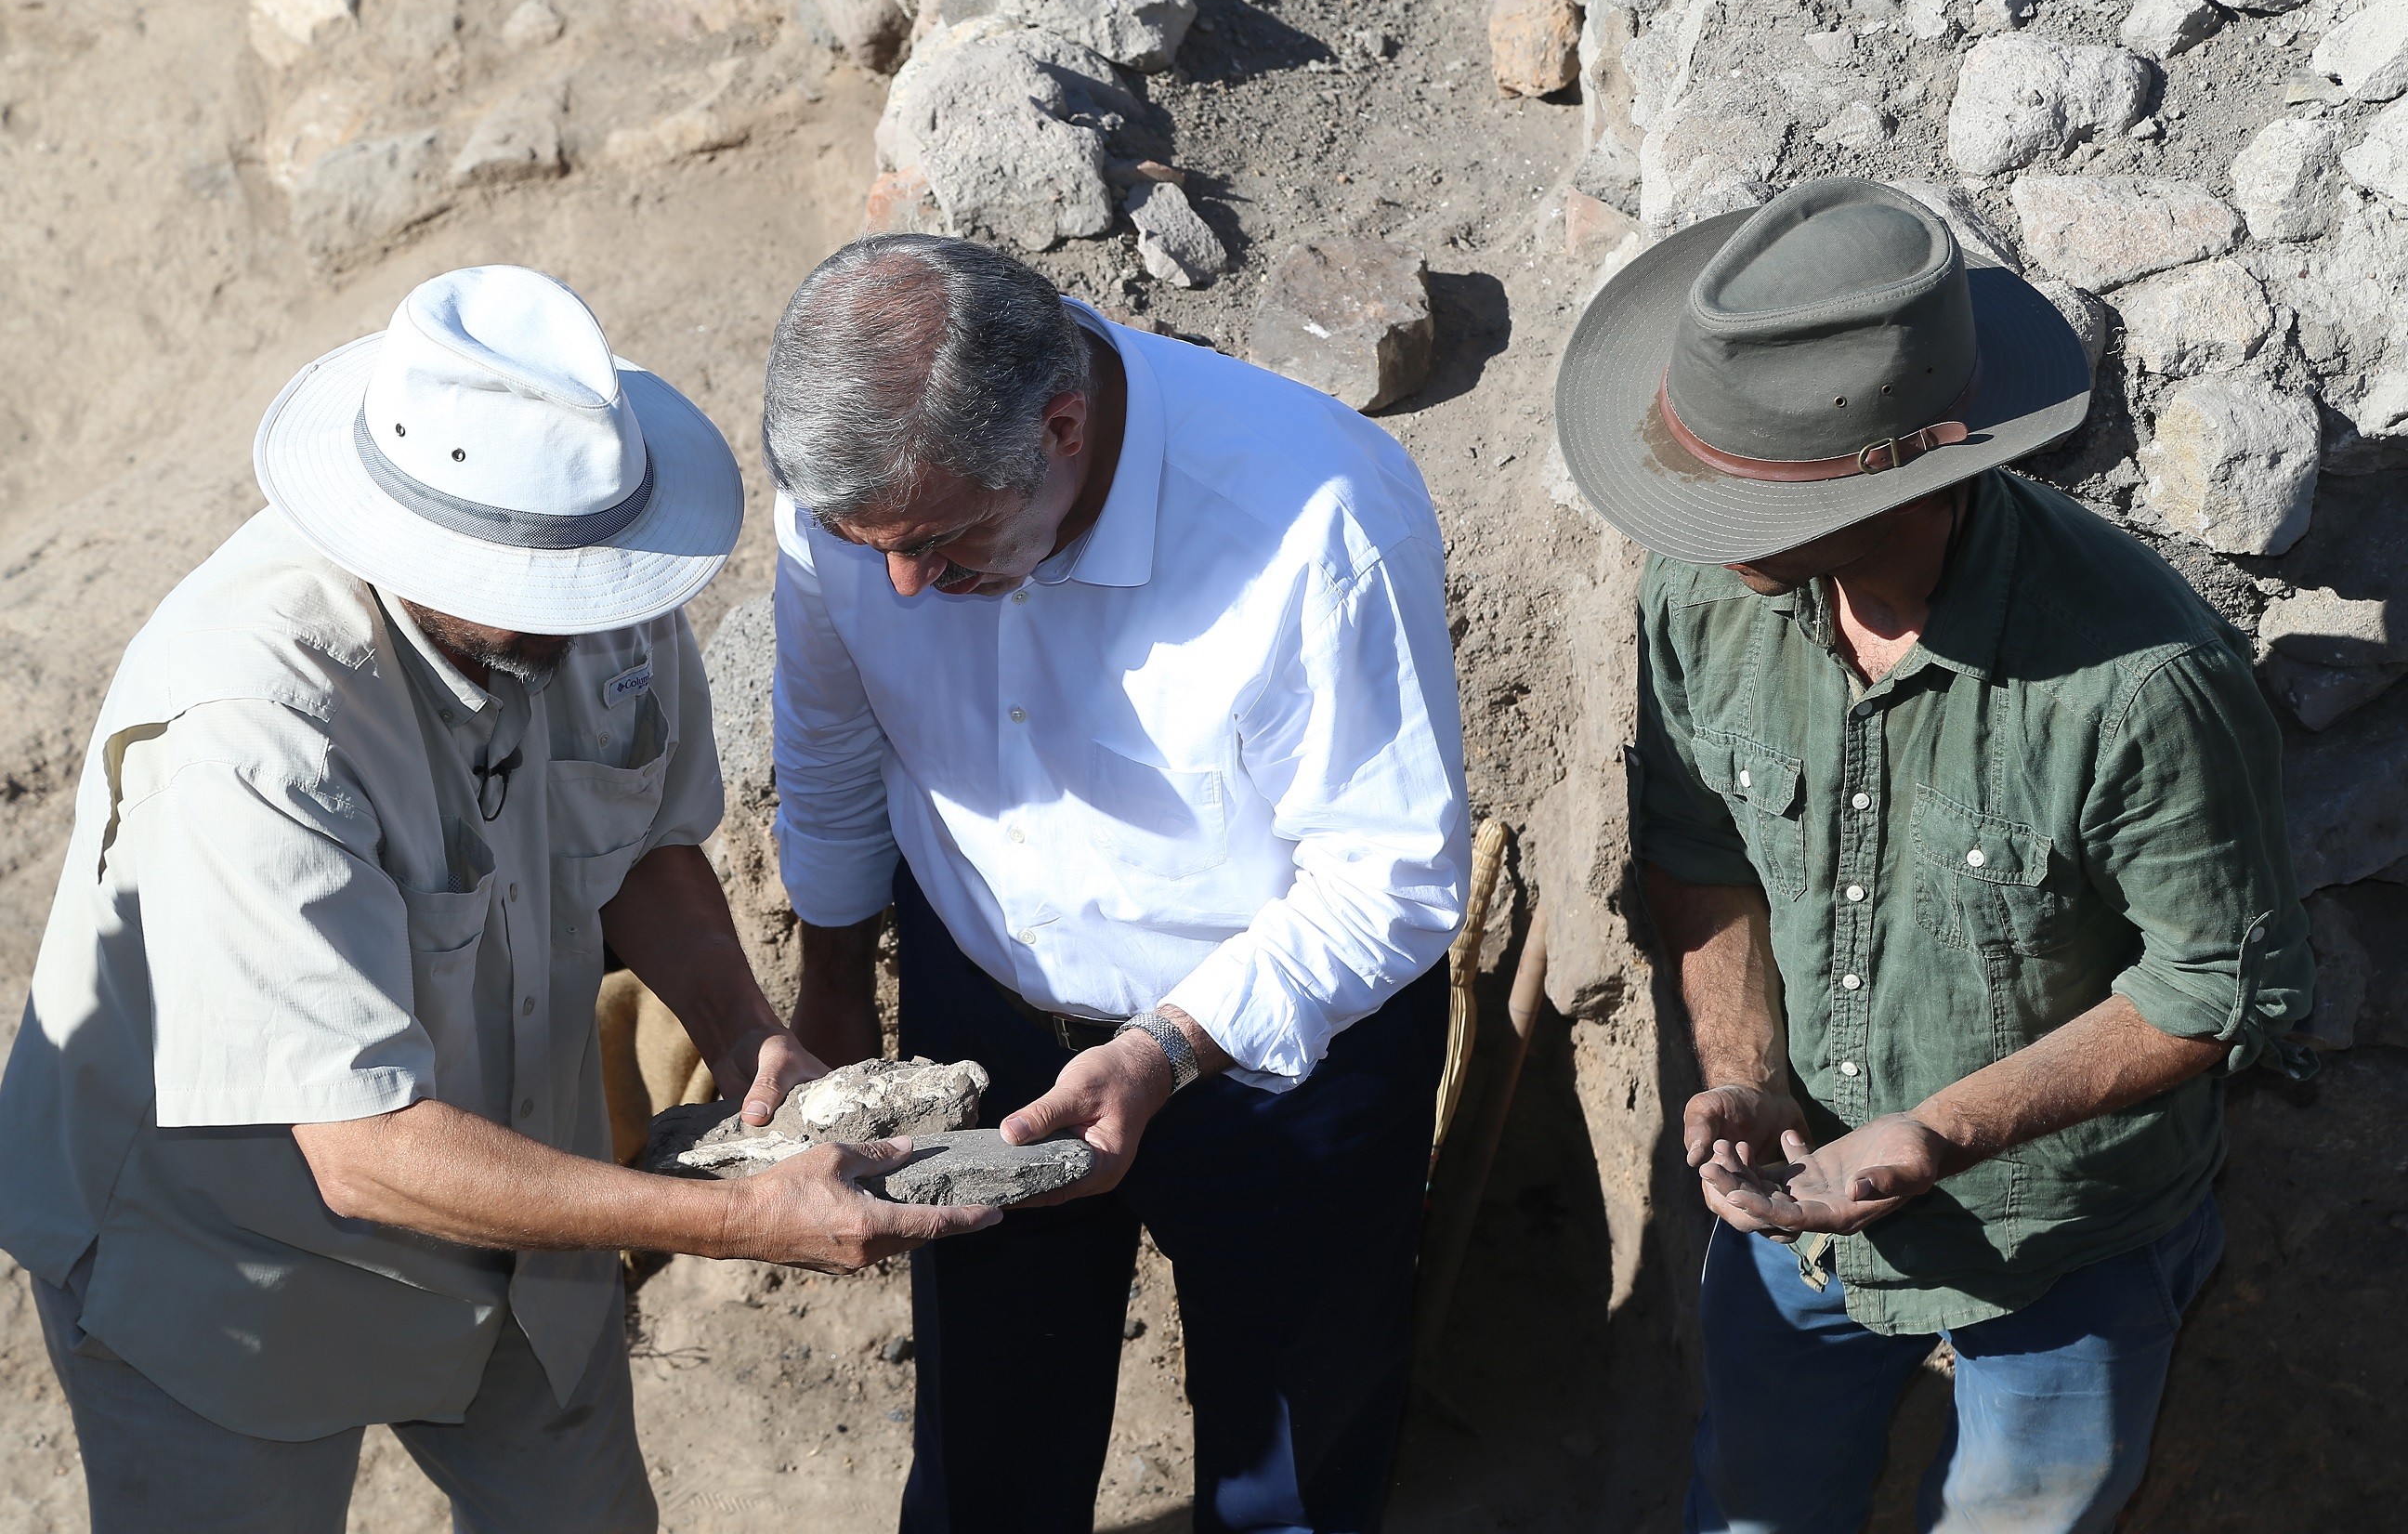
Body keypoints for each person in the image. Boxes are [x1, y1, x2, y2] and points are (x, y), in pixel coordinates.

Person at [0, 265, 997, 1534]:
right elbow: (365, 1148)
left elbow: (637, 841)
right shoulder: (256, 726)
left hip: (524, 1215)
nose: (597, 626)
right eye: (552, 601)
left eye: (606, 585)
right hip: (216, 1265)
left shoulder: (597, 585)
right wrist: (740, 1219)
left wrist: (748, 1031)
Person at [1551, 178, 2313, 1532]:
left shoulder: (2137, 686)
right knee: (1754, 1504)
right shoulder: (1706, 592)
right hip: (1797, 1221)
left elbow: (2212, 986)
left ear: (1893, 477)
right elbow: (1699, 842)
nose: (1693, 520)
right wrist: (1745, 1070)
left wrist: (1938, 1136)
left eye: (1735, 493)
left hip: (2061, 1249)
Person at [761, 233, 1471, 1532]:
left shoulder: (1313, 519)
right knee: (987, 1454)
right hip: (982, 1021)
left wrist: (1165, 1051)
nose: (905, 586)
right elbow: (830, 736)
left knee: (1289, 1479)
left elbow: (1392, 879)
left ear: (1066, 427)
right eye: (874, 552)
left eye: (940, 542)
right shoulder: (867, 499)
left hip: (1278, 1058)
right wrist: (832, 992)